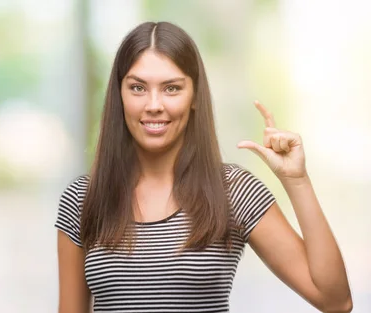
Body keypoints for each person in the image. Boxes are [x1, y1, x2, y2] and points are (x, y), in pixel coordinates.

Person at [54, 21, 352, 313]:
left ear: (194, 96)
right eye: (138, 88)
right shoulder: (82, 198)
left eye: (171, 88)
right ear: (119, 95)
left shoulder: (233, 191)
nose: (154, 104)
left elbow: (336, 302)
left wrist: (296, 180)